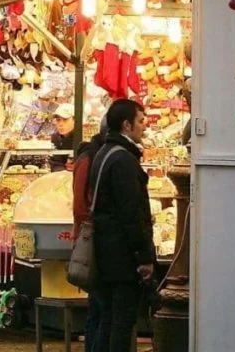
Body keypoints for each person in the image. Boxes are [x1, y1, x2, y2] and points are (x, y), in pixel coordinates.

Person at [89, 99, 155, 352]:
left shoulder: (103, 154)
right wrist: (144, 256)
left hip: (105, 251)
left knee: (108, 318)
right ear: (126, 125)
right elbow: (131, 213)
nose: (143, 127)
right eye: (140, 121)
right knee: (121, 323)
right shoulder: (124, 161)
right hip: (122, 257)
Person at [73, 117, 108, 352]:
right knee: (101, 309)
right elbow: (80, 206)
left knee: (97, 308)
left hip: (97, 241)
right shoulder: (90, 158)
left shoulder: (96, 155)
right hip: (94, 243)